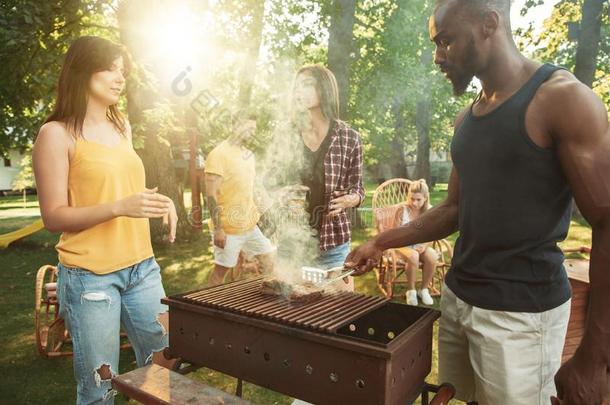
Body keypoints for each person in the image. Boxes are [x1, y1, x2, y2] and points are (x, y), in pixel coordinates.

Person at [345, 0, 610, 404]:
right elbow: (452, 209)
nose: (437, 56)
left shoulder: (562, 99)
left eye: (446, 41)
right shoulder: (466, 119)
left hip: (521, 317)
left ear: (490, 24)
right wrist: (382, 242)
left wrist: (595, 358)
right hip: (459, 300)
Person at [32, 36, 178, 404]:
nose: (119, 77)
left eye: (122, 71)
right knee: (99, 389)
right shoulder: (56, 134)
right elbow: (54, 215)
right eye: (111, 69)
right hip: (90, 277)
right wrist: (118, 207)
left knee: (166, 366)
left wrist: (161, 201)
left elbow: (126, 187)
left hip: (142, 268)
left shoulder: (120, 125)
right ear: (83, 71)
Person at [293, 65, 365, 291]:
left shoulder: (349, 138)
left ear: (324, 89)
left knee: (340, 310)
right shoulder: (288, 135)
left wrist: (350, 200)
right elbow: (271, 183)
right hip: (293, 243)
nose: (298, 91)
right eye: (297, 86)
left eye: (307, 84)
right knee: (293, 312)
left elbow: (359, 190)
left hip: (333, 243)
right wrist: (282, 197)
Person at [204, 111, 275, 286]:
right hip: (228, 229)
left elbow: (253, 187)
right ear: (234, 126)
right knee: (220, 273)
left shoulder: (248, 155)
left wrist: (268, 212)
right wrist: (219, 229)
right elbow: (211, 195)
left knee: (269, 262)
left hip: (250, 225)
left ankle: (265, 299)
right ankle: (208, 305)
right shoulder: (218, 154)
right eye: (248, 128)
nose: (251, 133)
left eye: (253, 129)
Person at [393, 179, 437, 306]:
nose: (414, 203)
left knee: (432, 255)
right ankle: (411, 291)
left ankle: (423, 289)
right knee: (413, 256)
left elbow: (433, 234)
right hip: (402, 246)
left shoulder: (430, 211)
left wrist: (425, 246)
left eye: (418, 200)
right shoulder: (402, 210)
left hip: (421, 245)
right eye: (412, 199)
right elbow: (394, 233)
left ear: (425, 198)